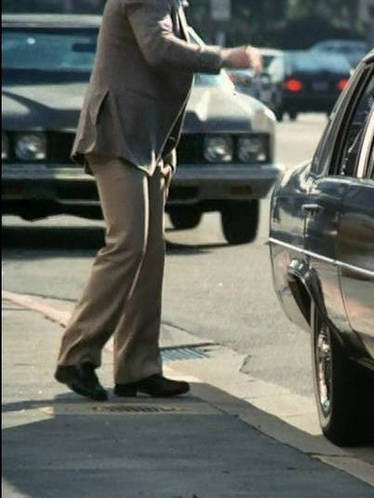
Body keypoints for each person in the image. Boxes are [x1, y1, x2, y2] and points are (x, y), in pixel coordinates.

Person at [54, 0, 261, 401]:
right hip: (119, 135)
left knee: (149, 254)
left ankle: (137, 368)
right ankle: (76, 355)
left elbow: (179, 46)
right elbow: (158, 47)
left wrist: (223, 68)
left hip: (147, 142)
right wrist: (225, 57)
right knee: (128, 244)